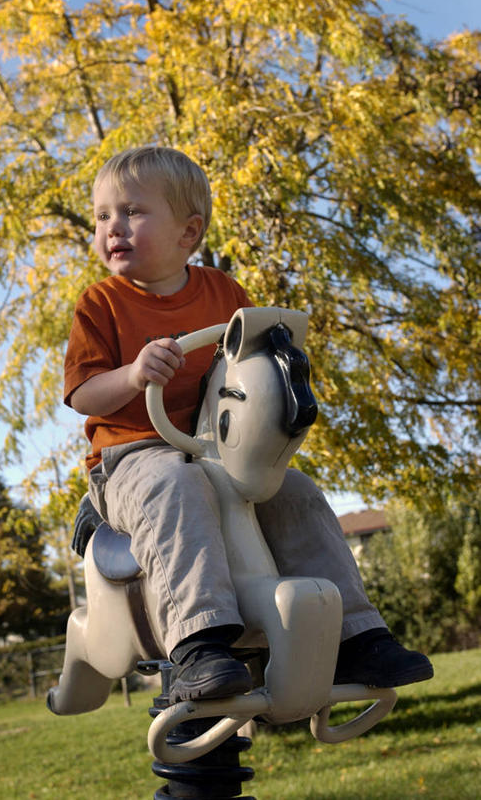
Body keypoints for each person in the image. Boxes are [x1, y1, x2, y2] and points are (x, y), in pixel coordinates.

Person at [64, 145, 433, 703]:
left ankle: (357, 634)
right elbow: (82, 393)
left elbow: (252, 368)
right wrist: (135, 374)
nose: (113, 227)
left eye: (133, 212)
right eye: (102, 215)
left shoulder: (224, 294)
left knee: (297, 492)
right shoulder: (101, 304)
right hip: (134, 456)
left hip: (218, 451)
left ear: (189, 233)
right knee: (175, 483)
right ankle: (199, 641)